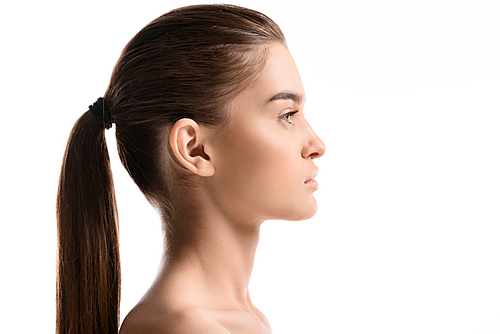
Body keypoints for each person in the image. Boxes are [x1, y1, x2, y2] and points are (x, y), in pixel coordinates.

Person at [56, 4, 325, 334]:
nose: (316, 144)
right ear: (195, 148)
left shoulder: (242, 321)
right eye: (287, 114)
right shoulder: (182, 327)